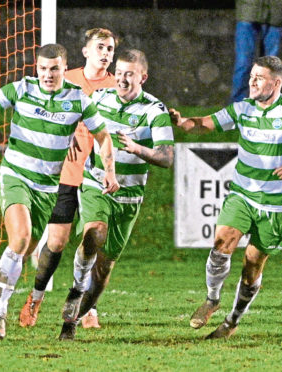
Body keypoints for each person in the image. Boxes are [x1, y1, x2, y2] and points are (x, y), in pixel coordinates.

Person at [0, 43, 119, 341]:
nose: (47, 74)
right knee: (22, 238)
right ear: (36, 68)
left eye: (54, 68)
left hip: (47, 188)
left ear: (65, 69)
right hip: (15, 176)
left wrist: (109, 170)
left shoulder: (77, 99)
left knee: (23, 248)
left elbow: (103, 137)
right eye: (42, 68)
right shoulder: (21, 89)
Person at [171, 56, 282, 339]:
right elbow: (207, 123)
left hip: (275, 205)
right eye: (251, 75)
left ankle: (232, 321)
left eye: (259, 77)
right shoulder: (243, 108)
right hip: (242, 194)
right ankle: (212, 298)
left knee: (251, 266)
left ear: (276, 82)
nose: (252, 81)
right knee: (221, 242)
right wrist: (184, 121)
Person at [58, 49, 174, 340]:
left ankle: (80, 311)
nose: (121, 79)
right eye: (119, 72)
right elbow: (75, 111)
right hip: (96, 181)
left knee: (105, 267)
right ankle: (76, 288)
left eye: (129, 74)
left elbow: (166, 157)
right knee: (93, 232)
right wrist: (72, 130)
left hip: (129, 195)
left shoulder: (154, 110)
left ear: (143, 77)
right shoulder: (100, 97)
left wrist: (138, 149)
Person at [19, 28, 117, 331]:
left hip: (96, 178)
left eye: (110, 49)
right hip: (65, 174)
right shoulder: (66, 78)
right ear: (85, 51)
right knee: (57, 243)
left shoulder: (117, 85)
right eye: (100, 47)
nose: (106, 54)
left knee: (93, 240)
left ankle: (87, 307)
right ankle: (35, 298)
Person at [230, 0, 282, 103]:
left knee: (271, 69)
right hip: (248, 11)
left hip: (275, 13)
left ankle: (266, 109)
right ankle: (237, 109)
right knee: (243, 65)